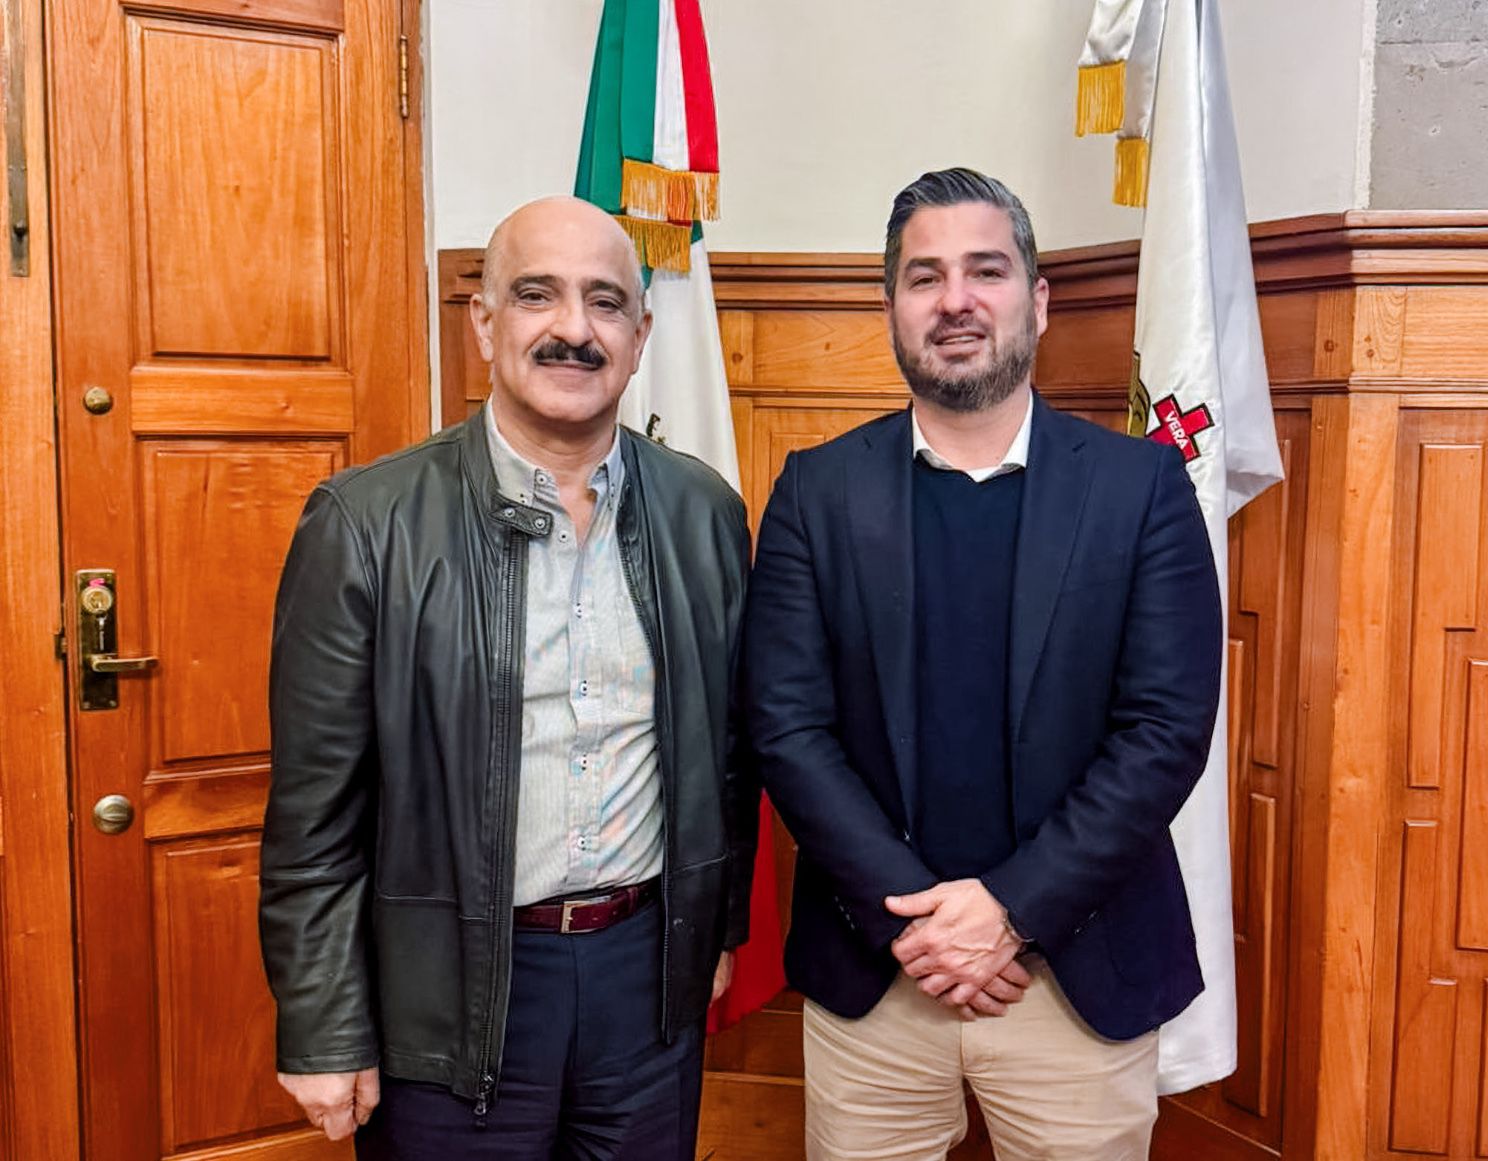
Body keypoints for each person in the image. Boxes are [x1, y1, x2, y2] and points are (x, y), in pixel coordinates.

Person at [260, 196, 756, 1160]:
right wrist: (323, 1022)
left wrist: (715, 928)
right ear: (484, 324)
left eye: (605, 301)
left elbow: (727, 758)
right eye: (537, 295)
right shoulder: (365, 525)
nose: (575, 328)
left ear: (642, 335)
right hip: (446, 989)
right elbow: (314, 814)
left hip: (646, 981)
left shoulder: (704, 514)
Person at [743, 168, 1222, 1160]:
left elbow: (1164, 731)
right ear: (891, 308)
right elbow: (786, 728)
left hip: (1076, 975)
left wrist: (1010, 912)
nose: (954, 300)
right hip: (879, 974)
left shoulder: (1142, 488)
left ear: (1037, 302)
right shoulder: (814, 493)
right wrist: (920, 927)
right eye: (924, 277)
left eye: (985, 271)